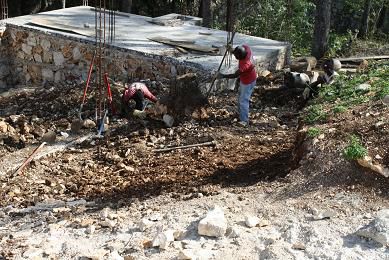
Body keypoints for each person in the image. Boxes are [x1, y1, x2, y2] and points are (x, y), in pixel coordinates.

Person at [218, 44, 257, 126]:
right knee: (240, 97)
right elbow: (239, 50)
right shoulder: (247, 49)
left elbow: (235, 75)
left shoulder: (245, 65)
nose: (235, 57)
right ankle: (240, 114)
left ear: (240, 56)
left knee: (243, 101)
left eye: (236, 56)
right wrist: (231, 50)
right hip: (246, 79)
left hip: (248, 82)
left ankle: (244, 121)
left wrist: (222, 75)